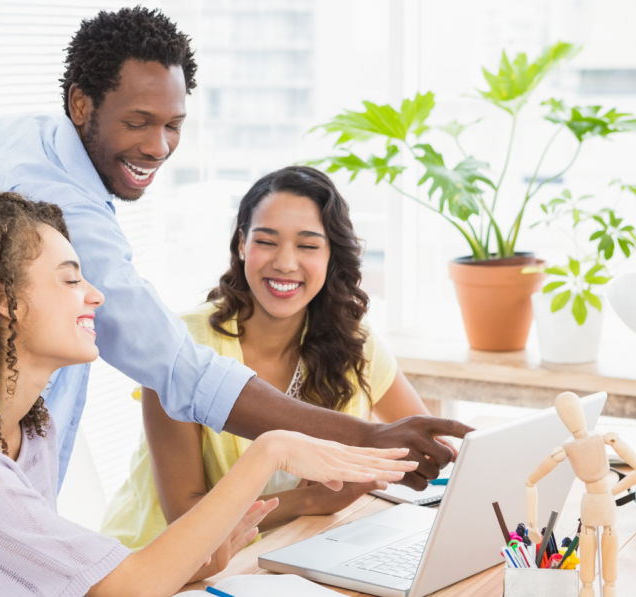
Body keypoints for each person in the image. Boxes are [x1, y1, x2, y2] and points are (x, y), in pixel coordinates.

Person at [0, 6, 470, 533]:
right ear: (81, 102)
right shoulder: (66, 211)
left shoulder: (27, 134)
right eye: (137, 121)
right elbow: (182, 373)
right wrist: (359, 437)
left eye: (173, 123)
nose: (158, 145)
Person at [0, 191, 418, 596]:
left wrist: (198, 564)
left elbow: (67, 577)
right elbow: (122, 590)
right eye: (72, 278)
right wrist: (270, 449)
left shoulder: (28, 430)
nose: (96, 295)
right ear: (8, 301)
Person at [101, 167, 456, 550]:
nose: (286, 263)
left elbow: (423, 452)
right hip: (163, 570)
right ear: (241, 244)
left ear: (331, 253)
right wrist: (311, 500)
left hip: (290, 556)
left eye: (308, 245)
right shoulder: (179, 346)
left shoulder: (357, 345)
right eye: (267, 241)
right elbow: (186, 516)